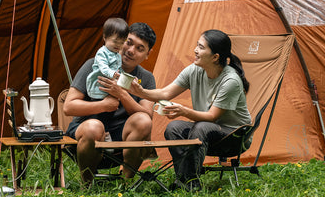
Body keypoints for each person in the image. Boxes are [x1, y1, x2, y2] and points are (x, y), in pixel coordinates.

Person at [125, 29, 250, 192]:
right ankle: (184, 179)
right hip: (206, 131)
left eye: (200, 47)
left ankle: (191, 182)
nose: (195, 50)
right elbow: (165, 93)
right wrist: (140, 91)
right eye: (197, 45)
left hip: (234, 136)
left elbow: (212, 117)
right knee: (173, 127)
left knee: (201, 126)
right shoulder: (195, 70)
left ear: (215, 57)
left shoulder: (230, 81)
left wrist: (183, 110)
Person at [63, 22, 157, 186]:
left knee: (143, 120)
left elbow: (147, 116)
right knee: (94, 127)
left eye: (140, 48)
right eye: (128, 42)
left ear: (148, 54)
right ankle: (88, 185)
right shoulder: (94, 65)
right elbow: (68, 107)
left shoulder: (146, 78)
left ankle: (127, 184)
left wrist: (121, 93)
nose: (130, 50)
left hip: (122, 138)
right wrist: (104, 105)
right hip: (87, 132)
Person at [86, 17, 129, 100]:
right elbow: (104, 68)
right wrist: (113, 74)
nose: (118, 45)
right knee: (100, 108)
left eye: (122, 42)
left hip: (110, 89)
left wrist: (127, 78)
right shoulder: (102, 53)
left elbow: (119, 70)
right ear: (105, 37)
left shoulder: (117, 55)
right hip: (98, 88)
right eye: (115, 42)